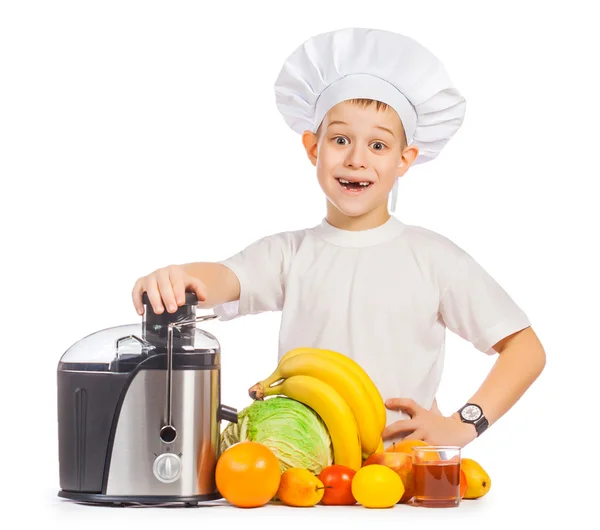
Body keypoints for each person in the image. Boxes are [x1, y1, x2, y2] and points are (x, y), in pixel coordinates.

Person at [131, 27, 546, 447]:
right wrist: (178, 277)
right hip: (301, 479)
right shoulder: (289, 253)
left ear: (405, 160)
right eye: (341, 139)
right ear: (313, 148)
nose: (356, 159)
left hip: (401, 478)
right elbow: (223, 278)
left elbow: (524, 349)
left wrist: (463, 423)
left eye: (378, 146)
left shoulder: (434, 258)